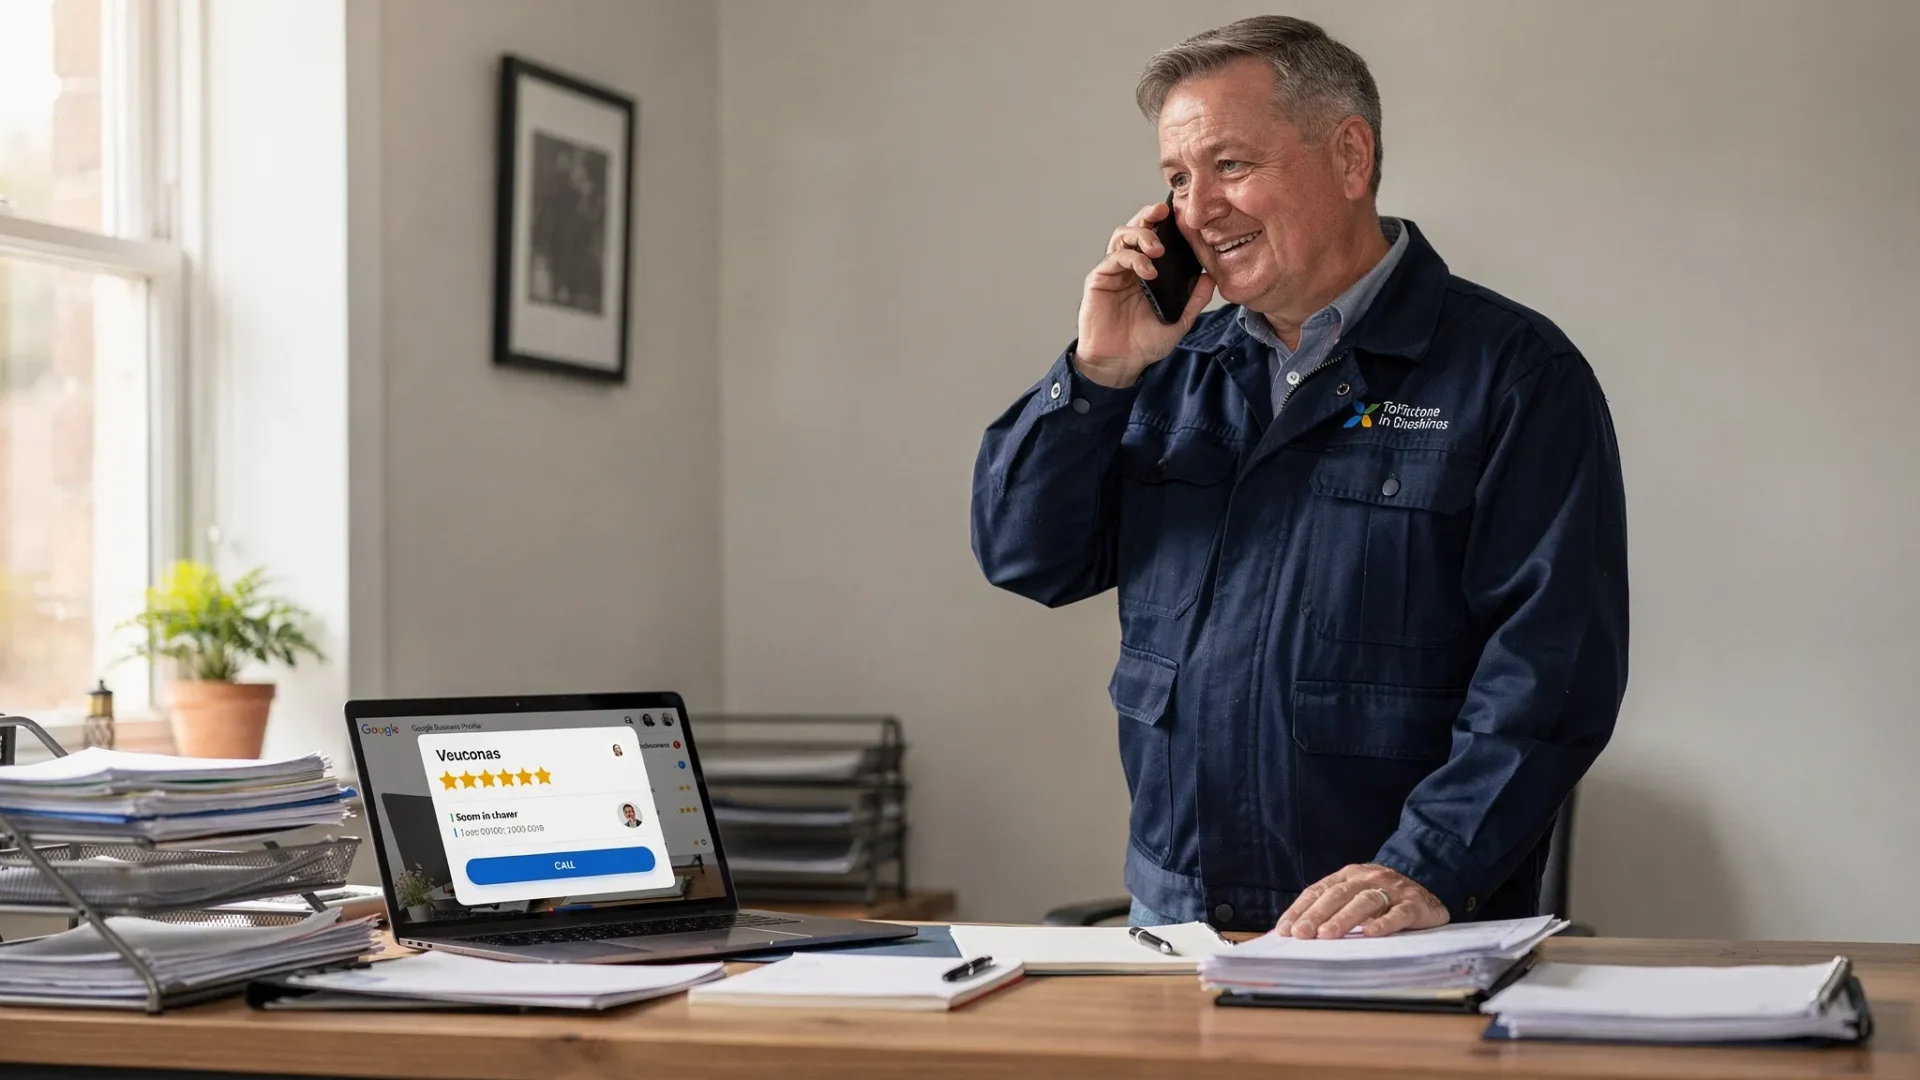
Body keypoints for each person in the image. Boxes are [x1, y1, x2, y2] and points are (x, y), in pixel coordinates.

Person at [971, 16, 1628, 937]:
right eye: (1176, 179)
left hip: (1399, 924)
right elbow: (1024, 557)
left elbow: (1551, 666)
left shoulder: (1511, 374)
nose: (1197, 210)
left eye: (1230, 166)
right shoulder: (1168, 366)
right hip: (1178, 914)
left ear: (1350, 158)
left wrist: (1427, 866)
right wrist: (1096, 374)